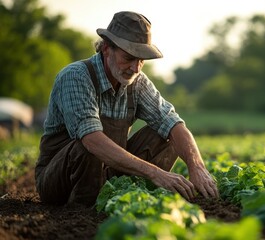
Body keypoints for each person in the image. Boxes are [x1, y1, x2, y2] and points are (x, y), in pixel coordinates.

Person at [35, 11, 219, 206]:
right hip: (59, 181)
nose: (135, 68)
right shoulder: (76, 76)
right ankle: (82, 211)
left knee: (168, 135)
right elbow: (92, 140)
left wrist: (196, 166)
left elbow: (173, 122)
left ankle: (130, 201)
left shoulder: (137, 83)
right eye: (129, 58)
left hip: (107, 173)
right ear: (106, 49)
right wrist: (156, 174)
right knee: (88, 146)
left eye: (141, 60)